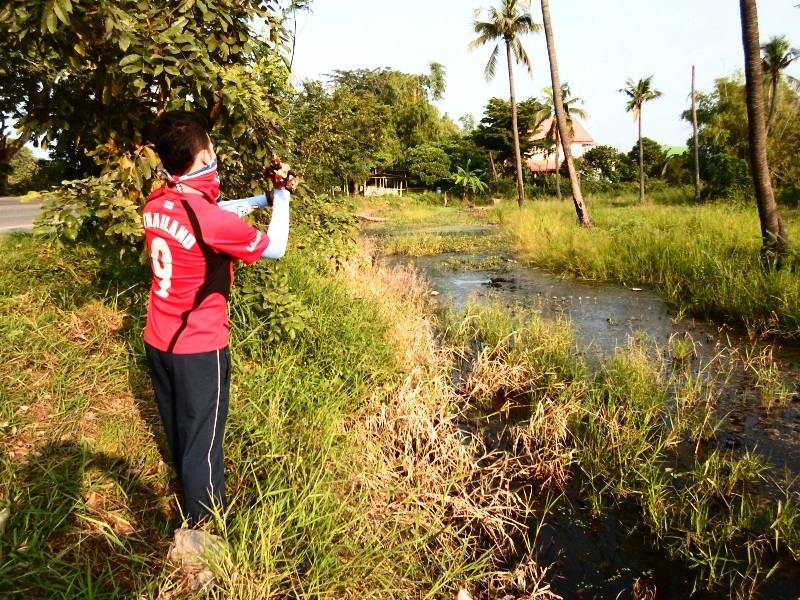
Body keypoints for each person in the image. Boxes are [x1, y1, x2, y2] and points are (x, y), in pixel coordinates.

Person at [142, 110, 294, 529]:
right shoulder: (208, 219)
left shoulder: (157, 202)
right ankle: (205, 532)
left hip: (158, 339)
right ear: (205, 152)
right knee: (203, 442)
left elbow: (209, 208)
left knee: (178, 428)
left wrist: (262, 197)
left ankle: (187, 495)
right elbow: (275, 246)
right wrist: (283, 196)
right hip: (199, 346)